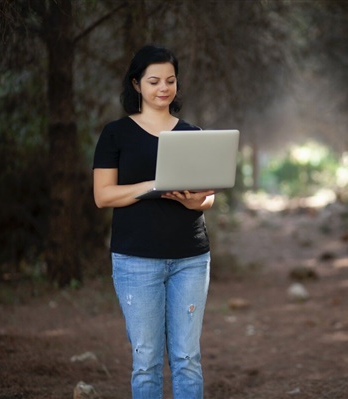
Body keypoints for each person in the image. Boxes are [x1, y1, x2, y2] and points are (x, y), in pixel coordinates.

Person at [92, 44, 214, 399]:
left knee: (187, 357)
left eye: (171, 80)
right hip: (135, 260)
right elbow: (103, 196)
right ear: (136, 84)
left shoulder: (193, 134)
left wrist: (196, 201)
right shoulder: (116, 134)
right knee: (146, 360)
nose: (164, 88)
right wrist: (151, 185)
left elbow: (209, 195)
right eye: (154, 80)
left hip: (191, 257)